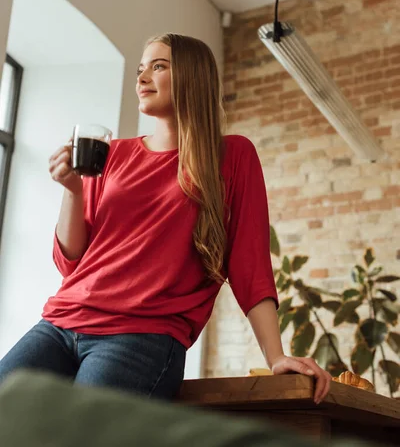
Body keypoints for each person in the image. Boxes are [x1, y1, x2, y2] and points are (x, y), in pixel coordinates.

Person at [0, 33, 331, 403]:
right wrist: (73, 190)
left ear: (192, 76)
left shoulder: (233, 156)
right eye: (141, 68)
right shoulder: (112, 155)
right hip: (60, 322)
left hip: (141, 336)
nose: (142, 77)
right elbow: (71, 260)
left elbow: (249, 264)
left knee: (76, 434)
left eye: (158, 67)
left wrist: (276, 357)